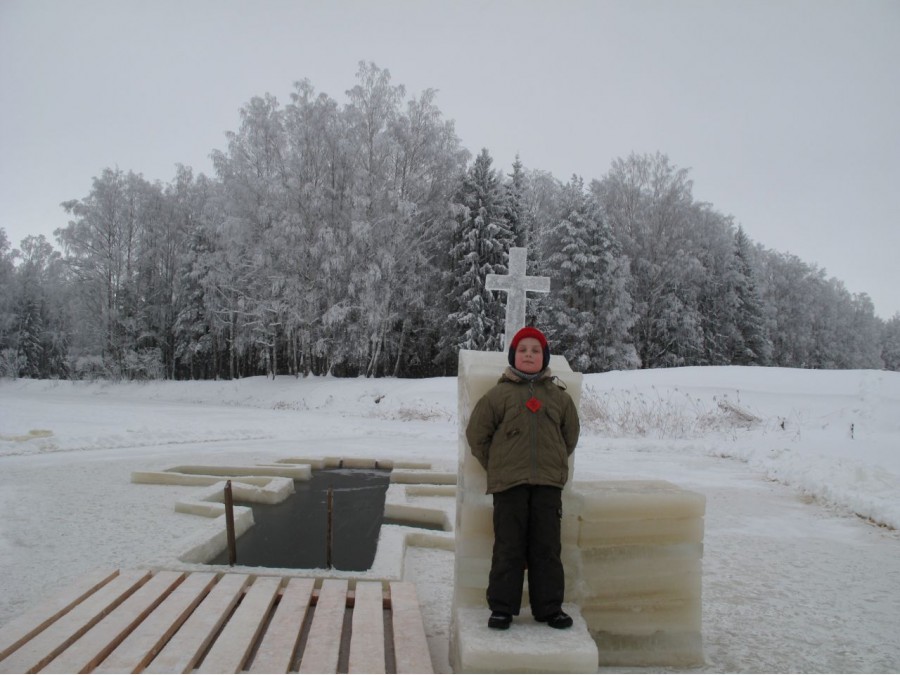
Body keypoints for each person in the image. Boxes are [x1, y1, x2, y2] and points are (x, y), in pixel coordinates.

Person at [465, 326, 580, 630]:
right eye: (523, 350)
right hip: (509, 485)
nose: (529, 354)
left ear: (544, 357)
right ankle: (502, 608)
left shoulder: (558, 396)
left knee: (547, 548)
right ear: (514, 355)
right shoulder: (498, 395)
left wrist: (551, 461)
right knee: (508, 546)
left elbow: (570, 436)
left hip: (547, 485)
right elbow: (477, 435)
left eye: (536, 350)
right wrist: (498, 465)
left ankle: (549, 608)